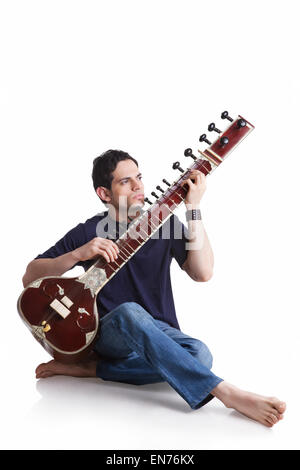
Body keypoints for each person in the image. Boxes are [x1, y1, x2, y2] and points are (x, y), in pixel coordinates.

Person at [22, 149, 286, 427]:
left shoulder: (163, 223)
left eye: (139, 177)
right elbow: (30, 276)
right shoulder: (89, 232)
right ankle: (227, 393)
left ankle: (93, 369)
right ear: (104, 193)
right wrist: (77, 254)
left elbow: (203, 272)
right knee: (130, 312)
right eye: (125, 181)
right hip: (108, 333)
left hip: (158, 330)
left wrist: (193, 208)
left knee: (200, 355)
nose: (138, 186)